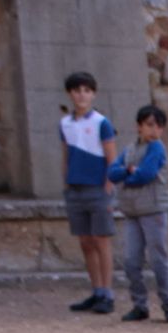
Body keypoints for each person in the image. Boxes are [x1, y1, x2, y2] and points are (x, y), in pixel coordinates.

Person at [106, 105, 168, 324]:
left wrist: (127, 174)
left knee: (158, 260)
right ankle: (139, 304)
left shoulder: (156, 148)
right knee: (131, 260)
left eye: (158, 126)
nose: (154, 130)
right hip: (132, 211)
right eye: (149, 125)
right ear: (139, 127)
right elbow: (112, 172)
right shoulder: (129, 150)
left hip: (153, 209)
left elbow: (145, 174)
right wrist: (129, 171)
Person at [59, 71, 118, 314]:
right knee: (85, 242)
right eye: (77, 90)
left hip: (96, 188)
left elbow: (111, 158)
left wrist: (108, 189)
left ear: (92, 94)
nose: (81, 95)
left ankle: (107, 292)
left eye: (86, 90)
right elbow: (65, 155)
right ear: (70, 94)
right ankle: (96, 290)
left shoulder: (101, 123)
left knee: (101, 240)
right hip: (76, 188)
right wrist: (65, 184)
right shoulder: (65, 123)